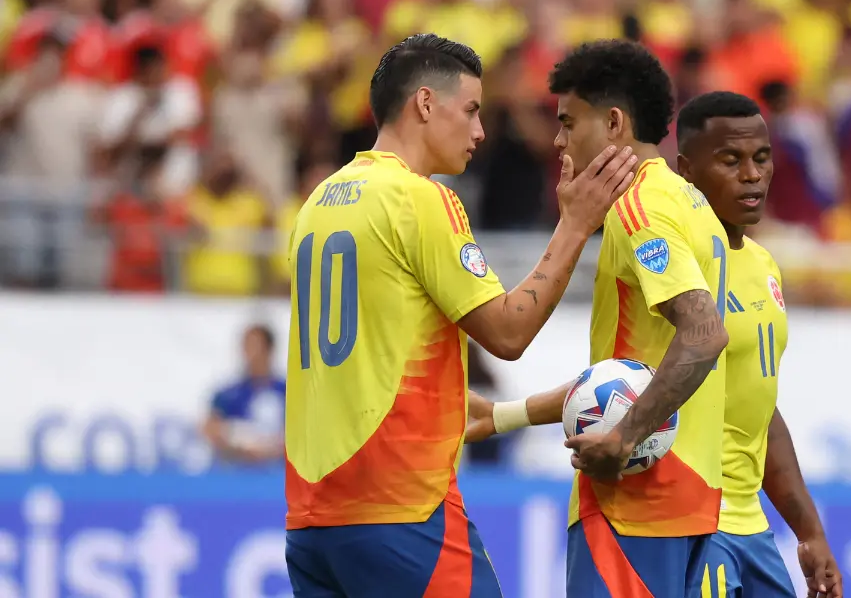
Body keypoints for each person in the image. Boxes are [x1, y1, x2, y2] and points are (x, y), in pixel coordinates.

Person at [283, 33, 638, 598]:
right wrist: (574, 225)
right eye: (471, 111)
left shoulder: (319, 202)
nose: (479, 132)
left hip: (311, 522)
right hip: (402, 511)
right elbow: (508, 331)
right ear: (425, 103)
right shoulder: (420, 198)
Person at [469, 40, 731, 597]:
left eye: (568, 121)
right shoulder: (691, 203)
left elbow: (704, 335)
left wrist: (624, 437)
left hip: (634, 504)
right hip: (690, 505)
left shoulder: (640, 210)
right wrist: (504, 415)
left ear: (613, 122)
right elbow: (630, 376)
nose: (558, 139)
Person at [676, 91, 841, 598]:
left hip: (752, 527)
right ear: (686, 170)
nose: (752, 174)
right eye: (731, 160)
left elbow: (761, 408)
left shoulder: (765, 265)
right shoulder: (679, 262)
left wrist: (809, 532)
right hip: (695, 525)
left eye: (761, 158)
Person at [200, 324, 286, 465]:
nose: (249, 353)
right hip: (238, 472)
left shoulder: (287, 392)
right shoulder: (228, 394)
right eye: (246, 346)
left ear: (269, 349)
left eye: (255, 346)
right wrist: (237, 443)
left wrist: (271, 450)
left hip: (279, 473)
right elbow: (210, 428)